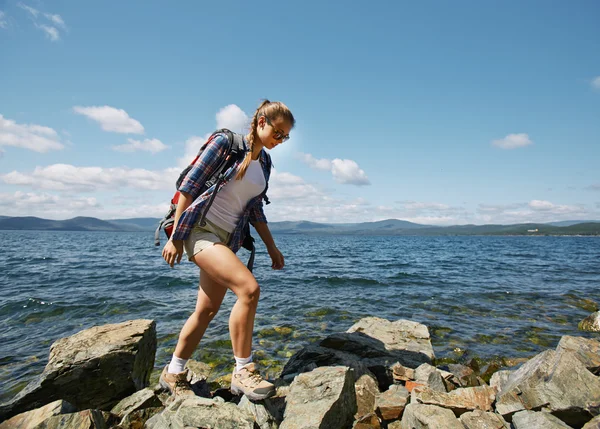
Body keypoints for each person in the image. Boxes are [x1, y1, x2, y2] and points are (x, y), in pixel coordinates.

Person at [159, 100, 295, 401]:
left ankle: (173, 371)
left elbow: (255, 209)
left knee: (206, 310)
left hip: (226, 239)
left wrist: (272, 247)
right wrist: (177, 236)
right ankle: (243, 371)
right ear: (261, 121)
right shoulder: (226, 143)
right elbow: (188, 186)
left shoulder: (265, 164)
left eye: (285, 137)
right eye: (278, 131)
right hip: (199, 229)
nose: (280, 140)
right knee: (249, 289)